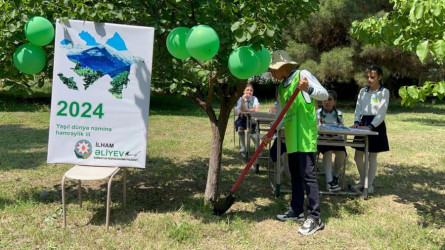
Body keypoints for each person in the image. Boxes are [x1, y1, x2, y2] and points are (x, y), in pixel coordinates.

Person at [263, 50, 328, 235]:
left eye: (273, 69)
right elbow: (280, 115)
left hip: (306, 135)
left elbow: (323, 94)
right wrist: (271, 133)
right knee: (296, 175)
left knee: (308, 175)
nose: (272, 73)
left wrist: (308, 89)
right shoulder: (283, 87)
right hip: (292, 137)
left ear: (284, 67)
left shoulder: (303, 75)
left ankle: (315, 218)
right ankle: (297, 210)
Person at [350, 65, 390, 194]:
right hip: (362, 124)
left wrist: (371, 126)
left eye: (372, 77)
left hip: (376, 125)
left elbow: (381, 112)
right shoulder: (363, 91)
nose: (369, 79)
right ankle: (364, 181)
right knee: (358, 156)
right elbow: (358, 108)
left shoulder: (384, 92)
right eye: (368, 77)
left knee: (372, 156)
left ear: (380, 77)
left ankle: (369, 184)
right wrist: (356, 122)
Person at [316, 90, 346, 192]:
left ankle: (335, 176)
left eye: (329, 99)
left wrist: (337, 137)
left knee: (342, 153)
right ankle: (329, 183)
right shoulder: (318, 113)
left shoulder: (339, 114)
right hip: (322, 140)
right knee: (327, 152)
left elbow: (342, 130)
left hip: (336, 140)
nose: (326, 102)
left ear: (335, 101)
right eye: (324, 99)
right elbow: (314, 129)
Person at [235, 84, 260, 153]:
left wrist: (246, 110)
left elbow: (257, 110)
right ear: (244, 91)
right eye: (247, 90)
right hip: (243, 118)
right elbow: (242, 109)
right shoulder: (241, 99)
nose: (249, 92)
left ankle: (258, 148)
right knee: (240, 128)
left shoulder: (254, 98)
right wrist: (243, 100)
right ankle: (243, 146)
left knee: (252, 132)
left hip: (252, 118)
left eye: (251, 90)